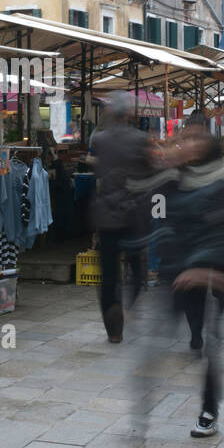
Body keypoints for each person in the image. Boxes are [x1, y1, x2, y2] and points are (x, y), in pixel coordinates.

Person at [156, 113, 224, 438]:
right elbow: (163, 220)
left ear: (209, 145)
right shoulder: (174, 181)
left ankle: (208, 410)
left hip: (217, 270)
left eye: (197, 139)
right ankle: (194, 334)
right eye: (186, 139)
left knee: (214, 343)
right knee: (191, 323)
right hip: (184, 270)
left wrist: (204, 266)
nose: (190, 144)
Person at [88, 91, 152, 343]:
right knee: (136, 266)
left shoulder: (100, 139)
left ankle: (114, 329)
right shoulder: (141, 139)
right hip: (133, 212)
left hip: (106, 213)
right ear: (129, 113)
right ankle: (130, 305)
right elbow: (147, 175)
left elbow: (98, 172)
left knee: (108, 274)